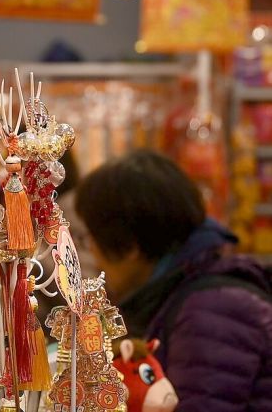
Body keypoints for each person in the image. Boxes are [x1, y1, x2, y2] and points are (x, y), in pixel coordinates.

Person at [75, 150, 272, 410]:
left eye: (92, 240)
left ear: (131, 247)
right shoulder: (179, 292)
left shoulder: (211, 310)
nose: (94, 257)